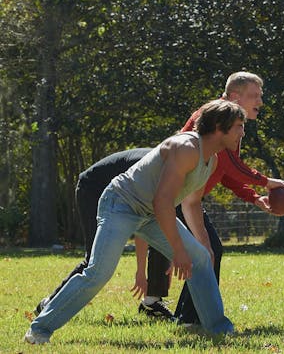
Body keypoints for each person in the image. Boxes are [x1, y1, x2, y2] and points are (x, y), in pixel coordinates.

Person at [24, 100, 244, 344]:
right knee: (99, 272)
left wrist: (200, 246)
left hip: (150, 214)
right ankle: (39, 329)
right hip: (121, 205)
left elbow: (189, 204)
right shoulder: (186, 148)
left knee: (201, 259)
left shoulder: (210, 159)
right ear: (217, 126)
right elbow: (163, 201)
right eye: (237, 126)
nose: (242, 132)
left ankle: (218, 329)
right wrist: (178, 250)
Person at [135, 71, 284, 325]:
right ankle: (190, 317)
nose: (260, 102)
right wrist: (266, 182)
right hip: (172, 198)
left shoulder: (232, 126)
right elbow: (232, 165)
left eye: (260, 96)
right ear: (234, 96)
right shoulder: (211, 118)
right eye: (254, 96)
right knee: (206, 252)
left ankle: (189, 317)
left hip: (188, 199)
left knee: (207, 252)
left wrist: (253, 197)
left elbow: (224, 171)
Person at [33, 148, 175, 320]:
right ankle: (49, 304)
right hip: (93, 189)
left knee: (161, 232)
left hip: (115, 192)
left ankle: (152, 302)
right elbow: (142, 225)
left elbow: (152, 222)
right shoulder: (158, 168)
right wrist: (140, 272)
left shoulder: (171, 166)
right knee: (95, 259)